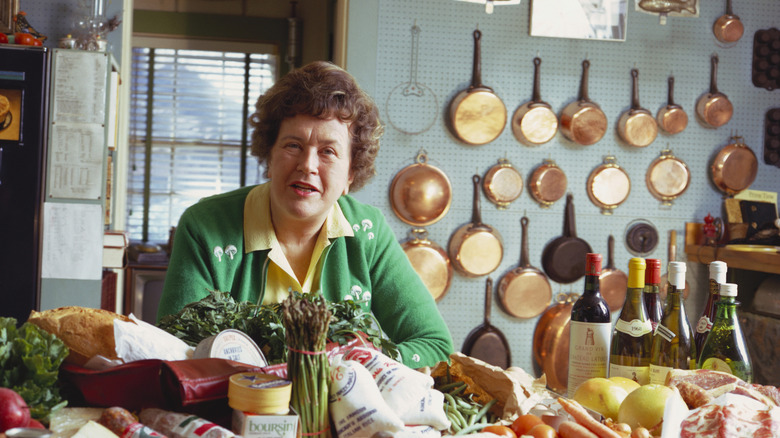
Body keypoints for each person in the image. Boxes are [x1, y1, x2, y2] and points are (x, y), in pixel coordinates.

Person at [157, 61, 454, 368]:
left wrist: (361, 363)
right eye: (293, 145)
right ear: (269, 156)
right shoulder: (204, 226)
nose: (307, 165)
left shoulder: (369, 233)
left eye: (328, 151)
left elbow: (435, 345)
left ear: (351, 172)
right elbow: (175, 348)